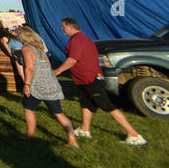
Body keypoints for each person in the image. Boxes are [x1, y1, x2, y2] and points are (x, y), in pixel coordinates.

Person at [54, 17, 146, 145]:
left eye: (63, 27)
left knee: (107, 105)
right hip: (83, 79)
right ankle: (85, 130)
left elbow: (72, 59)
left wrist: (57, 71)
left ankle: (134, 135)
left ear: (70, 27)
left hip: (90, 79)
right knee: (86, 104)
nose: (62, 30)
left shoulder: (78, 40)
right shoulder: (83, 39)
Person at [12, 26, 78, 147]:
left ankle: (29, 134)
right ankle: (72, 140)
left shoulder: (26, 48)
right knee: (58, 113)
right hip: (51, 83)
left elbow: (30, 68)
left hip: (37, 85)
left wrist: (26, 84)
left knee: (29, 108)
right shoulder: (39, 47)